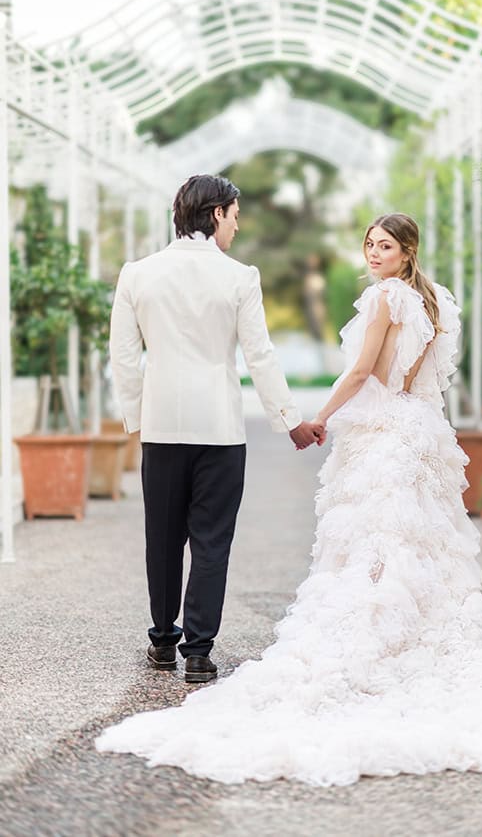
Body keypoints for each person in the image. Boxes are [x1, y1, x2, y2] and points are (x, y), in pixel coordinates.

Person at [97, 212, 482, 784]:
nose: (374, 254)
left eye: (385, 246)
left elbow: (361, 372)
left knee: (369, 539)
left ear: (407, 251)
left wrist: (317, 417)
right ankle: (384, 638)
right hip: (414, 429)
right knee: (411, 542)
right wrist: (292, 417)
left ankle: (183, 639)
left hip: (369, 435)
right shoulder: (432, 301)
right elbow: (378, 372)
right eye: (370, 244)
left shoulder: (380, 301)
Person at [108, 174, 323, 685]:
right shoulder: (240, 277)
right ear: (216, 214)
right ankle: (199, 652)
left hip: (162, 426)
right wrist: (289, 421)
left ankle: (163, 641)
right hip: (220, 431)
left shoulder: (137, 274)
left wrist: (136, 419)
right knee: (211, 541)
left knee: (161, 537)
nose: (238, 225)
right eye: (235, 214)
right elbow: (260, 355)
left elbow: (123, 357)